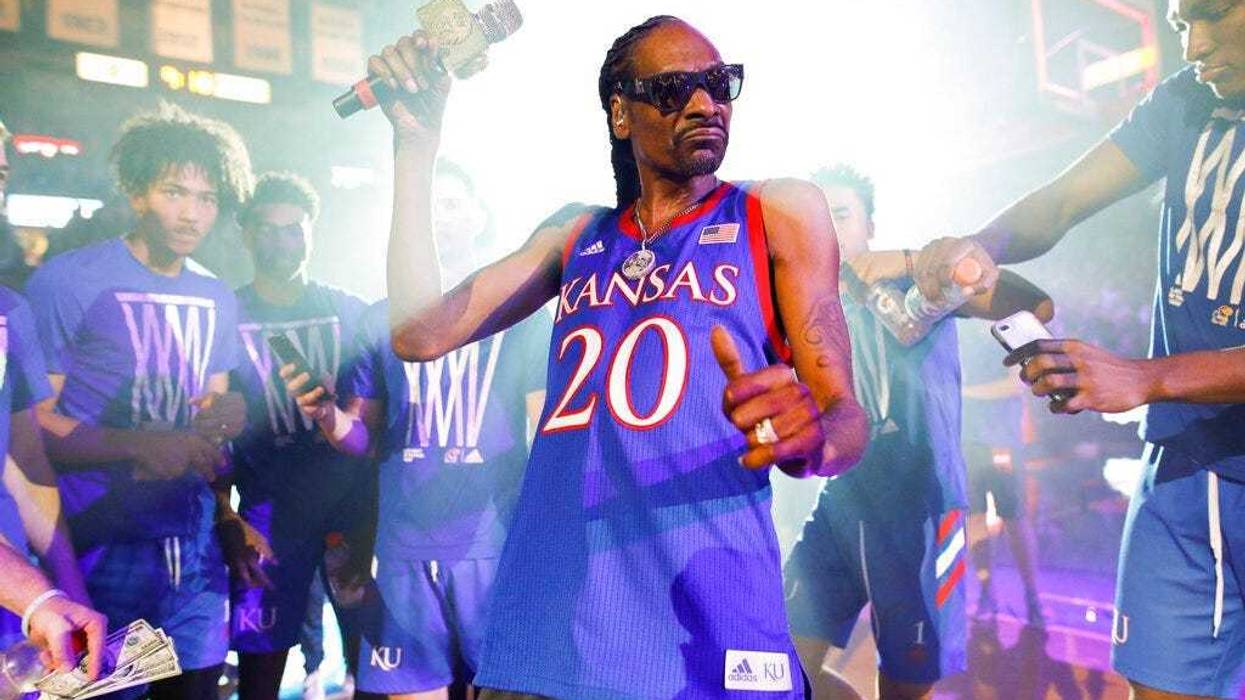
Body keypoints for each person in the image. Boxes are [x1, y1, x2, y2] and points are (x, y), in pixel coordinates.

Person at [367, 14, 868, 699]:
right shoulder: (576, 233)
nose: (704, 104)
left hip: (707, 611)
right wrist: (415, 147)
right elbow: (419, 334)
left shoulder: (773, 211)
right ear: (620, 114)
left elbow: (846, 419)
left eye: (718, 85)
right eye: (673, 90)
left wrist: (810, 435)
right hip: (554, 617)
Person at [912, 2, 1245, 696]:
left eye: (1212, 16)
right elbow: (1059, 203)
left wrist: (1150, 376)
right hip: (1185, 464)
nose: (1194, 45)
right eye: (1182, 24)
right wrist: (978, 252)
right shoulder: (1185, 102)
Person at [784, 165, 1053, 700]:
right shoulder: (803, 297)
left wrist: (912, 262)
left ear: (870, 226)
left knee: (906, 686)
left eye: (842, 214)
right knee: (778, 663)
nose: (830, 230)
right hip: (842, 504)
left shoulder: (915, 280)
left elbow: (1033, 304)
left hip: (921, 510)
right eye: (818, 218)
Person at [283, 162, 550, 700]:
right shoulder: (380, 320)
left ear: (480, 217)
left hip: (492, 547)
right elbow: (364, 439)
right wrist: (329, 416)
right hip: (403, 549)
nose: (439, 219)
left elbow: (547, 434)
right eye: (428, 207)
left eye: (453, 205)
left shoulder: (521, 312)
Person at [25, 103, 252, 699]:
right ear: (136, 191)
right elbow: (35, 429)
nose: (192, 212)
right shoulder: (67, 281)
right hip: (102, 546)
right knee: (100, 693)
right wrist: (141, 444)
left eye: (206, 199)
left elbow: (209, 423)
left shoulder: (216, 295)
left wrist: (225, 423)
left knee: (199, 691)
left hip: (193, 545)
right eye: (175, 191)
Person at [220, 172, 373, 699]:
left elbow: (375, 416)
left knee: (373, 664)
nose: (282, 241)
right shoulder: (224, 312)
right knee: (260, 670)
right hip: (267, 511)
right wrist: (226, 513)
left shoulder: (349, 311)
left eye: (294, 230)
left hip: (348, 508)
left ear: (312, 233)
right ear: (245, 233)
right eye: (269, 229)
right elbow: (206, 422)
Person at [960, 362, 1043, 624]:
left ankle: (1032, 597)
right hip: (967, 441)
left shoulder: (1008, 330)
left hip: (1002, 441)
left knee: (1014, 519)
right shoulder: (963, 328)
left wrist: (963, 391)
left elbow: (1017, 383)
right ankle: (986, 594)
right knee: (975, 519)